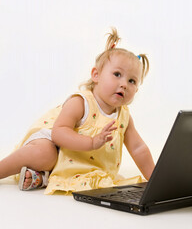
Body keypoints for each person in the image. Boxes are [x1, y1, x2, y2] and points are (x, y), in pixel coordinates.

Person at [0, 28, 155, 194]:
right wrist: (91, 143)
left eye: (132, 81)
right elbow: (58, 133)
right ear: (96, 75)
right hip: (51, 141)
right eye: (117, 74)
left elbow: (138, 148)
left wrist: (155, 179)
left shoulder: (123, 116)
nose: (124, 84)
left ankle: (42, 177)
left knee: (76, 172)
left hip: (75, 161)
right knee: (46, 155)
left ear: (136, 90)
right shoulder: (81, 102)